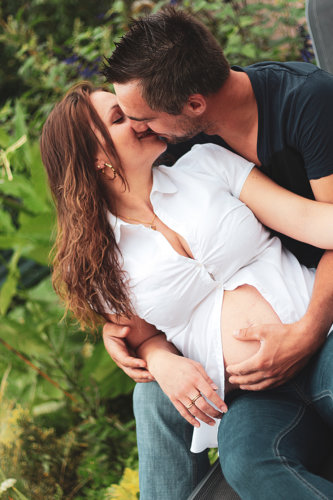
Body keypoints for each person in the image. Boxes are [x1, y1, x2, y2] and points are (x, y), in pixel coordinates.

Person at [40, 82, 333, 499]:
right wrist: (159, 359)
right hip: (255, 397)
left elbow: (310, 221)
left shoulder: (207, 163)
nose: (139, 119)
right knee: (248, 463)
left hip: (321, 338)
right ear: (97, 159)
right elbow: (141, 337)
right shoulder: (96, 262)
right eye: (120, 118)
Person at [101, 7, 333, 498]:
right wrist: (145, 346)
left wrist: (307, 332)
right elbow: (142, 313)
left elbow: (323, 225)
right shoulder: (179, 146)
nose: (142, 129)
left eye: (139, 117)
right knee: (234, 451)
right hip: (254, 389)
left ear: (193, 104)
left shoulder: (303, 102)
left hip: (320, 317)